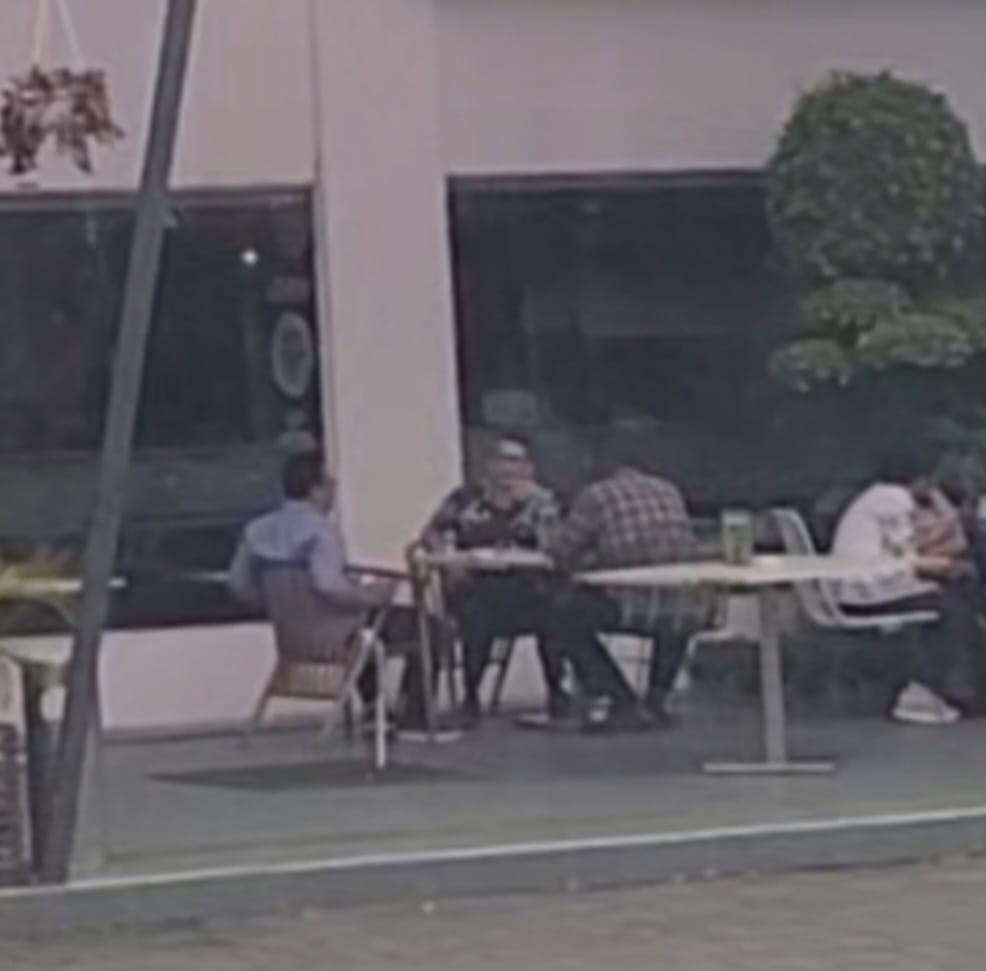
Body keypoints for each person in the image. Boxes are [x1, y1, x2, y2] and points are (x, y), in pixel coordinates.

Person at [229, 450, 434, 732]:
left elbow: (238, 583)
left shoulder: (256, 531)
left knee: (370, 631)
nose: (334, 491)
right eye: (330, 484)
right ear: (315, 490)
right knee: (426, 628)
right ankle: (413, 718)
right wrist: (370, 596)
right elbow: (328, 585)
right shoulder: (320, 532)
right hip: (336, 635)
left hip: (291, 636)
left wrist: (278, 603)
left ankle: (374, 707)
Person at [547, 437, 710, 732]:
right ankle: (658, 697)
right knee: (674, 615)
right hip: (688, 602)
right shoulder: (668, 489)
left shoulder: (595, 496)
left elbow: (563, 552)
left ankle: (618, 696)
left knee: (561, 618)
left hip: (630, 602)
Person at [421, 434, 567, 724]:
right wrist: (449, 560)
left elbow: (558, 546)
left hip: (527, 585)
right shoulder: (466, 499)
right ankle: (470, 697)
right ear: (489, 465)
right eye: (503, 460)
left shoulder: (545, 501)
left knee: (558, 610)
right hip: (476, 584)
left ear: (529, 467)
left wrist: (537, 509)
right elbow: (431, 533)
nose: (509, 469)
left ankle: (557, 692)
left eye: (517, 461)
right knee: (478, 612)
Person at [831, 446, 981, 725]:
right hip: (868, 591)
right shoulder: (893, 499)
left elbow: (912, 550)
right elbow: (909, 554)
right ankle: (923, 690)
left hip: (865, 586)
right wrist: (945, 558)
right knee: (948, 607)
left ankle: (956, 689)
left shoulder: (877, 497)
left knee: (954, 594)